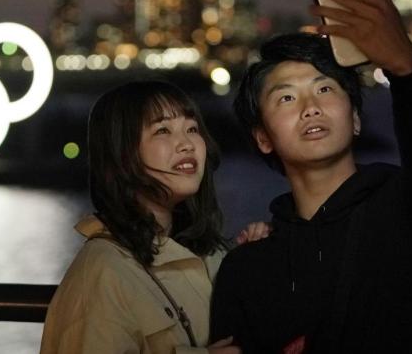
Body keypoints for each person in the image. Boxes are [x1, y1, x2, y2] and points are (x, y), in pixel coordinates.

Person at [210, 0, 412, 353]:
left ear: (355, 119)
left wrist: (406, 70)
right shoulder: (248, 268)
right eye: (286, 97)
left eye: (324, 89)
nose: (310, 107)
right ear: (263, 138)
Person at [41, 80, 260, 353]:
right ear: (122, 153)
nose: (187, 144)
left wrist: (255, 263)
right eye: (162, 130)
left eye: (192, 129)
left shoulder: (209, 254)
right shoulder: (102, 273)